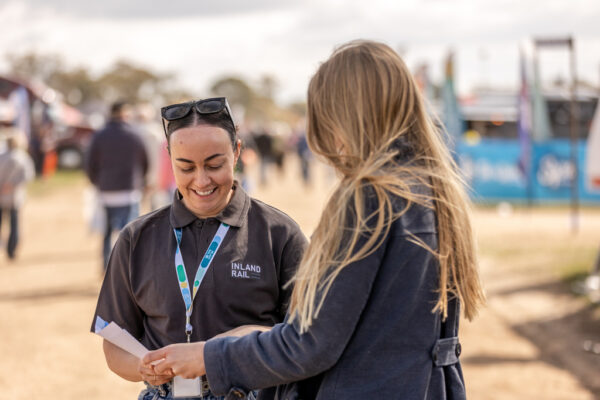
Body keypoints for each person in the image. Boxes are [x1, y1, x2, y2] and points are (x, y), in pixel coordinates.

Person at [143, 40, 486, 399]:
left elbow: (311, 344)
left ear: (344, 114)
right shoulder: (432, 190)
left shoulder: (371, 196)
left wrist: (209, 356)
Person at [91, 97, 307, 400]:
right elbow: (114, 344)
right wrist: (143, 366)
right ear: (169, 159)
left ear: (237, 153)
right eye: (186, 167)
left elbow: (305, 340)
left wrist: (231, 347)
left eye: (214, 164)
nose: (201, 180)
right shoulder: (135, 238)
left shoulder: (280, 234)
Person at [85, 101, 149, 270]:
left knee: (106, 232)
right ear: (125, 114)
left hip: (106, 190)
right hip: (130, 190)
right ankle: (126, 269)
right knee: (129, 233)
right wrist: (140, 182)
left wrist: (97, 183)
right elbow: (145, 162)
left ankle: (106, 267)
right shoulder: (134, 134)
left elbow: (90, 163)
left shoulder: (100, 135)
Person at [0, 128, 34, 260]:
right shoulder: (22, 157)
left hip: (1, 195)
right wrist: (12, 185)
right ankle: (11, 250)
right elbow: (28, 176)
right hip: (14, 196)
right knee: (14, 224)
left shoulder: (1, 156)